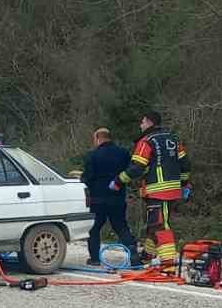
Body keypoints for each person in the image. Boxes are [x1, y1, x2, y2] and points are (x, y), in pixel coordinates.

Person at [116, 110, 192, 269]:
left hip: (157, 191)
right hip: (172, 190)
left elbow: (137, 167)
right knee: (154, 224)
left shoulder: (146, 141)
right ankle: (147, 256)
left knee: (160, 226)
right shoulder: (174, 139)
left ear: (149, 122)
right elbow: (185, 164)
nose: (140, 125)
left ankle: (168, 263)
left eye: (142, 122)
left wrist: (118, 180)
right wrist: (184, 184)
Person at [80, 127, 137, 266]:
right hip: (117, 198)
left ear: (98, 138)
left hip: (97, 199)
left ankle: (94, 259)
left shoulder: (93, 155)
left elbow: (87, 177)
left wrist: (81, 179)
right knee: (121, 227)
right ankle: (134, 256)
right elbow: (131, 171)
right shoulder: (123, 153)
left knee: (94, 228)